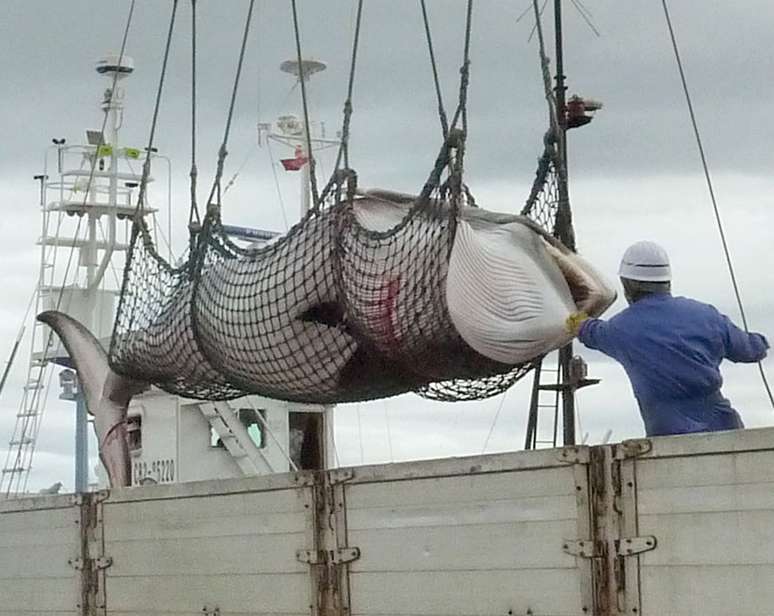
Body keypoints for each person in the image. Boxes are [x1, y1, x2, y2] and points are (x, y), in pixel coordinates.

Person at [565, 240, 769, 437]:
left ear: (627, 284)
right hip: (726, 433)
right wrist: (761, 341)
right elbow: (751, 350)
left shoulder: (620, 329)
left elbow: (589, 330)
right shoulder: (705, 315)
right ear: (667, 281)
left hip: (668, 438)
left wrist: (575, 319)